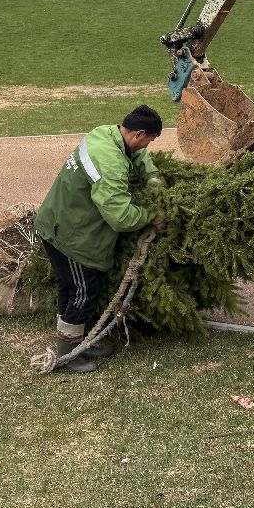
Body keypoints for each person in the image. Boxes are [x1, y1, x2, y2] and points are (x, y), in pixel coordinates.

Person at [35, 105, 166, 373]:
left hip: (58, 219)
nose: (148, 146)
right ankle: (69, 352)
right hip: (69, 235)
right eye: (150, 140)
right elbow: (121, 216)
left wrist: (152, 177)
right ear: (139, 134)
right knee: (82, 291)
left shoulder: (106, 134)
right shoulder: (110, 163)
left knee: (72, 288)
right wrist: (152, 215)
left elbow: (137, 155)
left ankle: (79, 340)